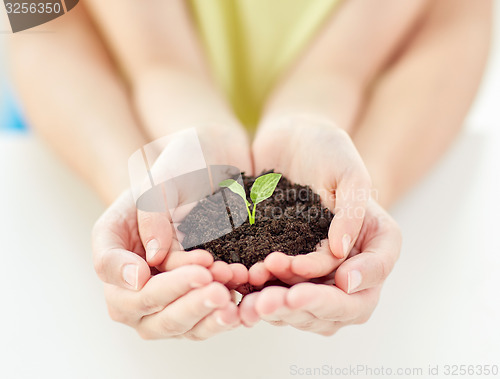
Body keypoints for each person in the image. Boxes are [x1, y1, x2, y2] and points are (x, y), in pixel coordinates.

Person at [8, 0, 491, 339]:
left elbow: (459, 17)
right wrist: (139, 191)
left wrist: (364, 179)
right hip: (102, 106)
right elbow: (38, 17)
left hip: (367, 113)